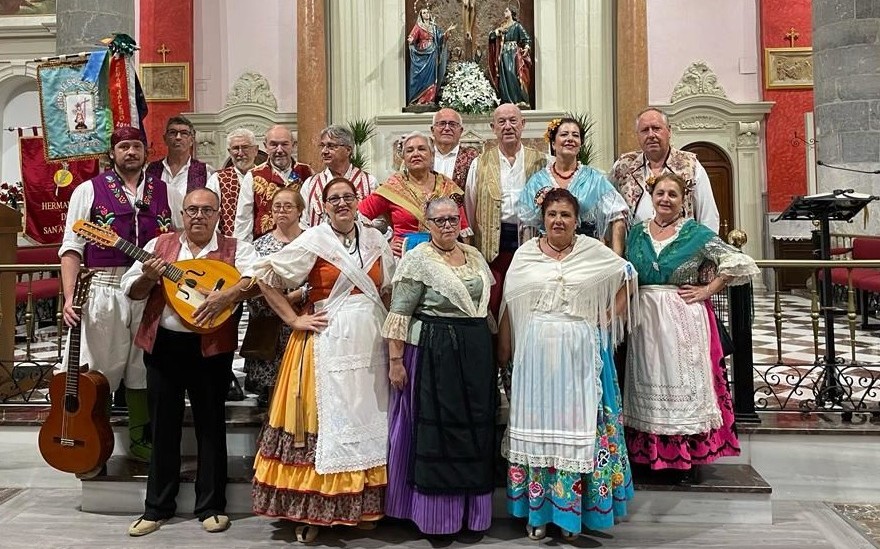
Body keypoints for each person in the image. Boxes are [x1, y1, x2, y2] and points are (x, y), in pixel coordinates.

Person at [251, 177, 394, 543]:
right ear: (324, 206)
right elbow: (264, 275)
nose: (342, 203)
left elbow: (389, 290)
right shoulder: (314, 240)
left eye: (348, 197)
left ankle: (359, 506)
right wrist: (292, 318)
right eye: (334, 199)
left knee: (368, 420)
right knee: (326, 424)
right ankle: (314, 512)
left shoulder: (377, 239)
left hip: (372, 344)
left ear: (358, 201)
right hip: (326, 341)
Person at [499, 188, 636, 541]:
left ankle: (573, 512)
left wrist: (610, 314)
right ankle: (538, 512)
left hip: (580, 354)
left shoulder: (593, 251)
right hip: (536, 358)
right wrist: (506, 351)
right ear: (542, 219)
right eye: (552, 214)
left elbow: (629, 277)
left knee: (579, 429)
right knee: (538, 429)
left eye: (566, 215)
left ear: (577, 221)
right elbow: (509, 307)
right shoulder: (526, 254)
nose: (558, 220)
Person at [122, 188, 258, 537]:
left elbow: (256, 279)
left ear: (217, 214)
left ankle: (211, 506)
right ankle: (157, 508)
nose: (198, 215)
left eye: (206, 210)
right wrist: (149, 277)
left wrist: (228, 294)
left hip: (211, 348)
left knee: (210, 425)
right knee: (162, 426)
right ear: (182, 213)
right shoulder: (158, 246)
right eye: (191, 210)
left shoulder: (235, 248)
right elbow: (133, 291)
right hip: (163, 346)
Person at [623, 173, 758, 482]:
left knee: (682, 386)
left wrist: (708, 289)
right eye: (660, 193)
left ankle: (684, 458)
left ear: (683, 200)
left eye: (673, 194)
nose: (665, 199)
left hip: (681, 316)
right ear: (651, 197)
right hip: (644, 318)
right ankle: (648, 456)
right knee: (647, 380)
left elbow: (737, 261)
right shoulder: (636, 232)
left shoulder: (695, 233)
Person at [59, 125, 173, 464]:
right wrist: (69, 298)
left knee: (143, 366)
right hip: (104, 288)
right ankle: (94, 439)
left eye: (137, 146)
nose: (130, 152)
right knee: (99, 371)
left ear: (146, 153)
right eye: (124, 147)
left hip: (151, 289)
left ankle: (140, 439)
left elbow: (178, 240)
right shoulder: (87, 190)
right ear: (112, 153)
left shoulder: (165, 191)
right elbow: (71, 247)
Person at [383, 197, 496, 535]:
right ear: (427, 224)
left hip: (474, 353)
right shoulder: (417, 260)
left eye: (452, 219)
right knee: (439, 432)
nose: (448, 226)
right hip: (435, 352)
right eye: (439, 220)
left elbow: (483, 307)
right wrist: (395, 361)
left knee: (475, 430)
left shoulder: (474, 256)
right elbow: (399, 313)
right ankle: (437, 517)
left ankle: (472, 516)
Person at [465, 103, 546, 315]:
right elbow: (470, 204)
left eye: (513, 121)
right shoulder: (479, 163)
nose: (508, 126)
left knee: (525, 303)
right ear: (493, 127)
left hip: (529, 243)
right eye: (501, 122)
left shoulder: (541, 161)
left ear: (523, 124)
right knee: (493, 302)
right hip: (492, 246)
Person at [519, 117, 629, 256]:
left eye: (575, 135)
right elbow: (528, 225)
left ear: (580, 145)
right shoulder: (537, 181)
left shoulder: (594, 179)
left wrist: (616, 258)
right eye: (564, 134)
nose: (570, 138)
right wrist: (527, 259)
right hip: (547, 255)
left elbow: (618, 214)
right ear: (553, 143)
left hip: (585, 253)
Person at [359, 131, 471, 257]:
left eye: (422, 149)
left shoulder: (447, 186)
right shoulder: (392, 187)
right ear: (403, 158)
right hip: (406, 257)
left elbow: (463, 228)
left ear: (432, 154)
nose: (416, 154)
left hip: (445, 256)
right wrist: (382, 244)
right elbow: (358, 216)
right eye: (409, 150)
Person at [609, 108, 720, 233]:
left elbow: (708, 217)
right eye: (645, 130)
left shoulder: (691, 165)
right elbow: (608, 210)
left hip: (681, 248)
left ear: (669, 131)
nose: (651, 135)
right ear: (637, 135)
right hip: (634, 248)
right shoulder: (623, 166)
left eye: (656, 128)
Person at [243, 188, 304, 406]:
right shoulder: (259, 245)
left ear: (300, 210)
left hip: (302, 320)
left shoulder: (311, 241)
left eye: (288, 206)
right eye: (277, 206)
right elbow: (251, 282)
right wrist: (273, 300)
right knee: (271, 396)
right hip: (269, 325)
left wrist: (296, 296)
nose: (282, 211)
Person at [234, 124, 314, 242]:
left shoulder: (307, 173)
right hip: (264, 248)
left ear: (294, 146)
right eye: (274, 145)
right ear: (266, 147)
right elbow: (244, 220)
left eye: (284, 144)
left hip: (301, 246)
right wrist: (242, 251)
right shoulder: (253, 176)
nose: (279, 150)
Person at [299, 124, 377, 228]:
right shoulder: (310, 184)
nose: (324, 151)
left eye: (331, 146)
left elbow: (379, 223)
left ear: (348, 150)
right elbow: (303, 224)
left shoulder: (369, 182)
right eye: (322, 146)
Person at [146, 115, 213, 230]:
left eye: (184, 133)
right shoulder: (150, 170)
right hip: (156, 233)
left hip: (190, 234)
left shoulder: (205, 171)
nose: (178, 137)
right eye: (173, 133)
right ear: (165, 138)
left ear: (192, 140)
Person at [206, 128, 260, 237]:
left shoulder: (265, 177)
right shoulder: (217, 179)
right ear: (229, 152)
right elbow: (209, 215)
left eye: (245, 147)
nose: (240, 153)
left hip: (262, 244)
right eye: (235, 148)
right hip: (228, 245)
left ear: (256, 150)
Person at [406, 6, 455, 105]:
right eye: (424, 13)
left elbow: (440, 38)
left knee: (432, 77)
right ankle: (418, 99)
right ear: (421, 15)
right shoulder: (418, 26)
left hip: (432, 52)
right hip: (422, 54)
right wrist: (411, 39)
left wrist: (446, 33)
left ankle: (429, 99)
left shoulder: (434, 27)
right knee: (421, 76)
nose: (426, 14)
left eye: (427, 12)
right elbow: (412, 36)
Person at [487, 7, 532, 107]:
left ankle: (518, 99)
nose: (504, 12)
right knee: (504, 78)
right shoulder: (503, 26)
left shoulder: (517, 26)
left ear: (512, 13)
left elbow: (526, 38)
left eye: (506, 11)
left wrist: (526, 47)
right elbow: (492, 37)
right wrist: (498, 31)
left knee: (512, 75)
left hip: (513, 55)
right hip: (503, 55)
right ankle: (506, 100)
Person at [431, 108, 479, 191]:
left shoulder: (472, 158)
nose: (447, 128)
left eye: (452, 124)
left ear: (461, 131)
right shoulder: (423, 156)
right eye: (442, 124)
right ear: (432, 130)